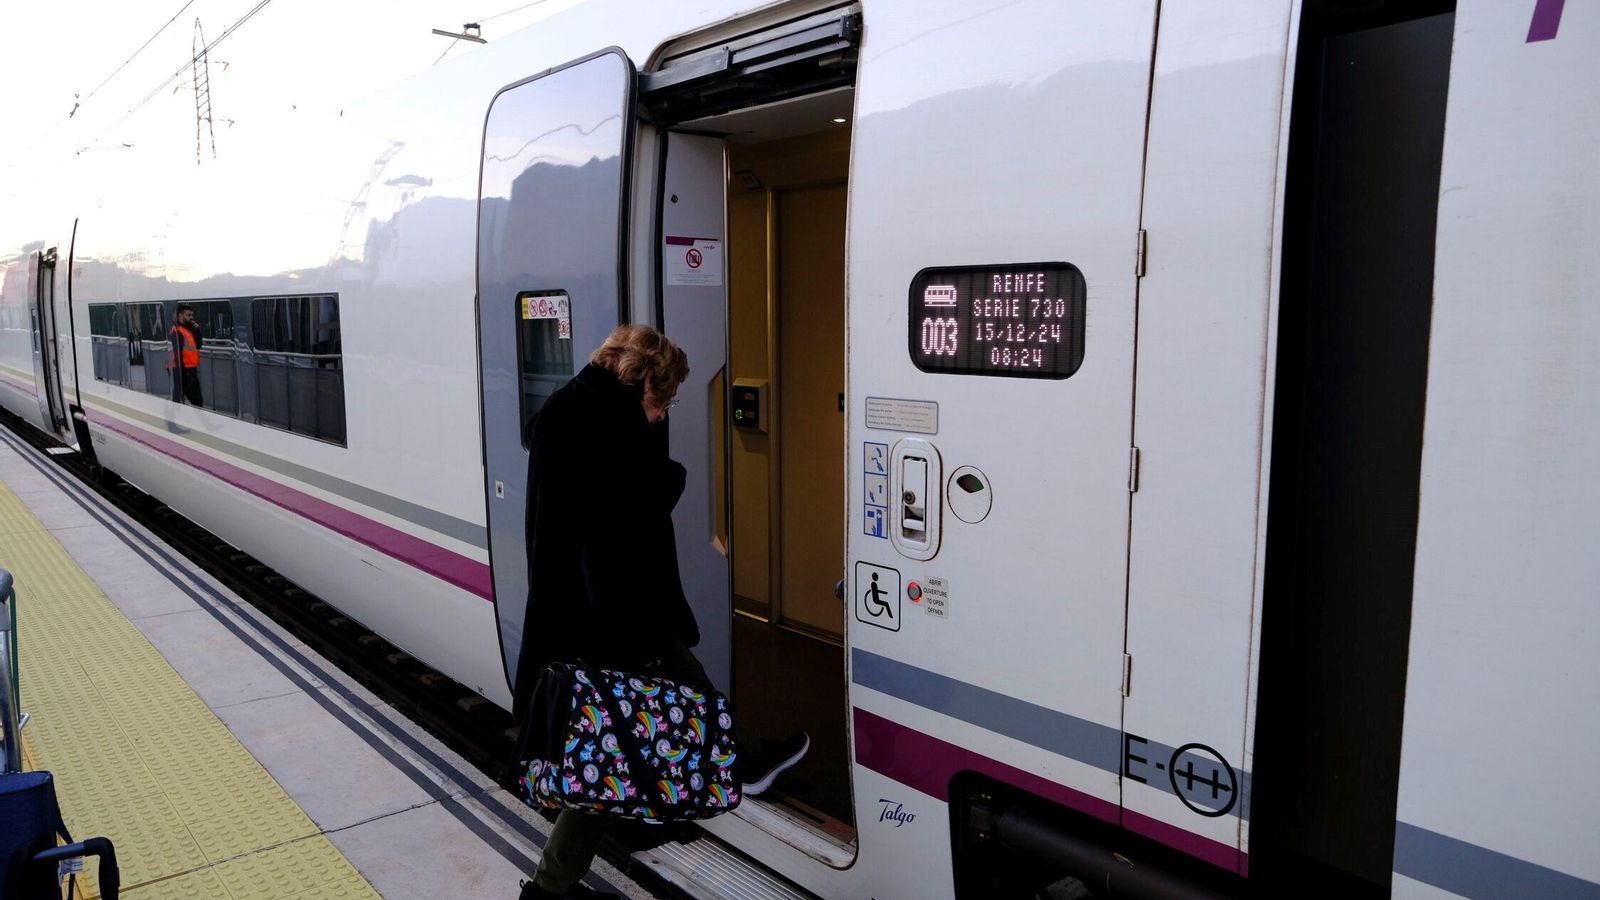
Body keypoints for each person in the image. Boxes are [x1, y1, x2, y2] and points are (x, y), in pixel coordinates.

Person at [513, 324, 808, 900]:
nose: (662, 412)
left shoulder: (569, 411)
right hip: (608, 621)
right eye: (662, 398)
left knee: (607, 751)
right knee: (608, 751)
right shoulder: (608, 429)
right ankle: (745, 761)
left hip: (582, 614)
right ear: (641, 379)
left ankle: (746, 757)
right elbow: (609, 541)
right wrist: (631, 641)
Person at [168, 304, 203, 406]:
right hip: (184, 371)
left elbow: (198, 345)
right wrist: (182, 375)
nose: (191, 318)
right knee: (196, 401)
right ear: (180, 315)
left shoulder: (188, 330)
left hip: (192, 371)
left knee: (196, 400)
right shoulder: (177, 331)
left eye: (192, 315)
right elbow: (177, 354)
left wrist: (197, 332)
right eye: (188, 315)